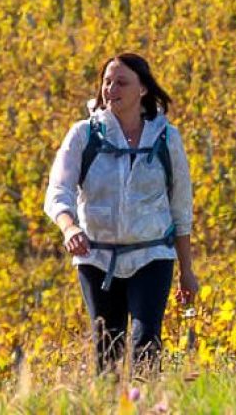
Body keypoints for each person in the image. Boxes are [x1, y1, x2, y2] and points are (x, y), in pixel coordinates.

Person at [44, 53, 198, 374]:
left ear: (142, 89)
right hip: (97, 259)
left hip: (152, 255)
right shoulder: (83, 135)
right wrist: (70, 227)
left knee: (147, 343)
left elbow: (180, 208)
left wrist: (187, 270)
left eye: (121, 82)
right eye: (107, 82)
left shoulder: (167, 138)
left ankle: (146, 407)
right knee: (107, 349)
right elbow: (58, 191)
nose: (111, 89)